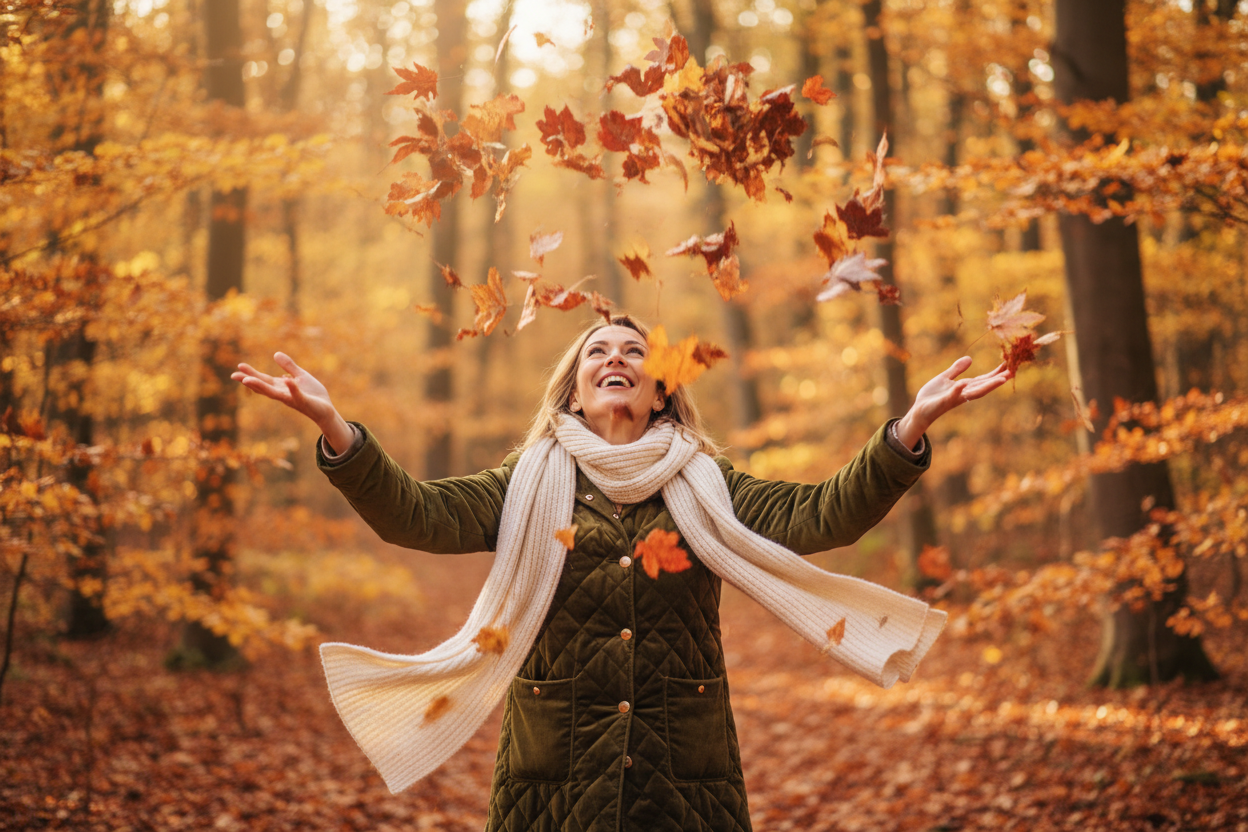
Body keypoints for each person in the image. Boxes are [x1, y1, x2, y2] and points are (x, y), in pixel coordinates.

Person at [232, 314, 1011, 832]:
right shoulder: (526, 481)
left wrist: (909, 429)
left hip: (683, 774)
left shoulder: (708, 480)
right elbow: (415, 514)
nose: (615, 360)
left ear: (661, 388)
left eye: (633, 352)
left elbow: (821, 516)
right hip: (555, 773)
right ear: (573, 387)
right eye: (597, 352)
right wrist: (337, 429)